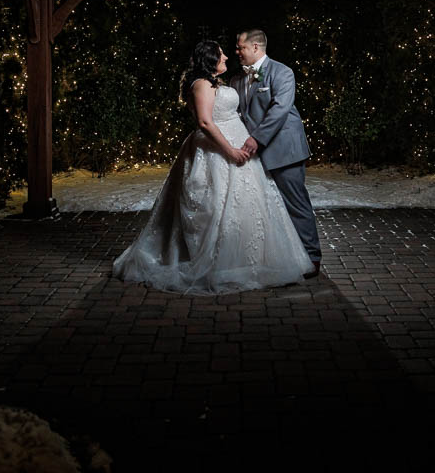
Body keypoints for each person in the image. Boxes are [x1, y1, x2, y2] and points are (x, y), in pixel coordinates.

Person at [112, 40, 314, 294]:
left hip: (238, 144)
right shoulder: (202, 84)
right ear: (210, 60)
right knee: (215, 203)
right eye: (221, 55)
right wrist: (229, 150)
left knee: (248, 204)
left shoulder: (217, 83)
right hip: (217, 150)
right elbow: (206, 123)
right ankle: (219, 262)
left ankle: (248, 258)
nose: (227, 57)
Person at [230, 29, 321, 277]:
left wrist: (256, 139)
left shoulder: (282, 72)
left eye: (241, 48)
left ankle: (312, 258)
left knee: (295, 203)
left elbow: (280, 109)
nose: (237, 52)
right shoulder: (237, 79)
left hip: (283, 149)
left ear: (256, 47)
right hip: (253, 153)